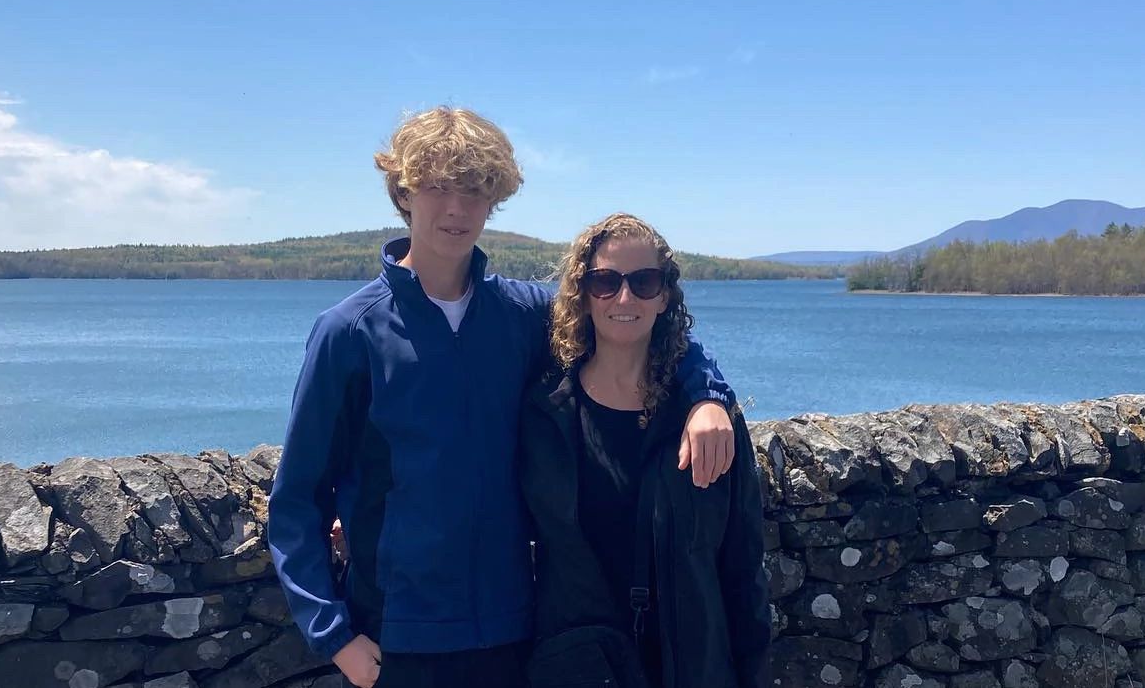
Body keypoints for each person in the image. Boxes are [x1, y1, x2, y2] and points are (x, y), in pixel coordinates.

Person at [268, 108, 740, 688]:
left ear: (495, 198)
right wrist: (334, 636)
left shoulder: (523, 316)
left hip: (516, 632)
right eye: (437, 187)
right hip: (397, 638)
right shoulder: (350, 332)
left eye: (475, 189)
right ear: (403, 192)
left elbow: (635, 328)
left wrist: (708, 396)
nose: (457, 209)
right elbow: (296, 501)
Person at [520, 213, 771, 688]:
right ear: (583, 294)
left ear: (664, 298)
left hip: (692, 670)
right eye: (605, 281)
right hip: (577, 668)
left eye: (644, 281)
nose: (624, 297)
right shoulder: (543, 417)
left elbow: (743, 572)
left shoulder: (711, 423)